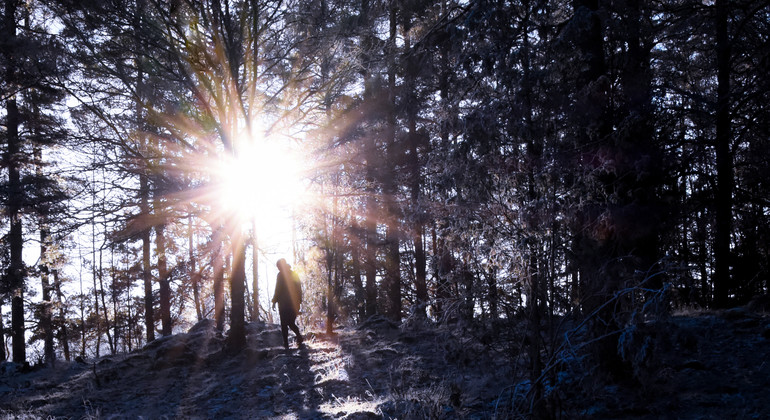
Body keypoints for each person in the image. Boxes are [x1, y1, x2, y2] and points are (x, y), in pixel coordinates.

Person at [272, 258, 304, 349]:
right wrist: (299, 302)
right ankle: (291, 341)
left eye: (278, 266)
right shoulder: (291, 274)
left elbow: (278, 289)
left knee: (287, 323)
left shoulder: (282, 275)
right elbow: (299, 289)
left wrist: (274, 301)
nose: (278, 268)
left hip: (286, 304)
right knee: (288, 323)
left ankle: (291, 341)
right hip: (289, 304)